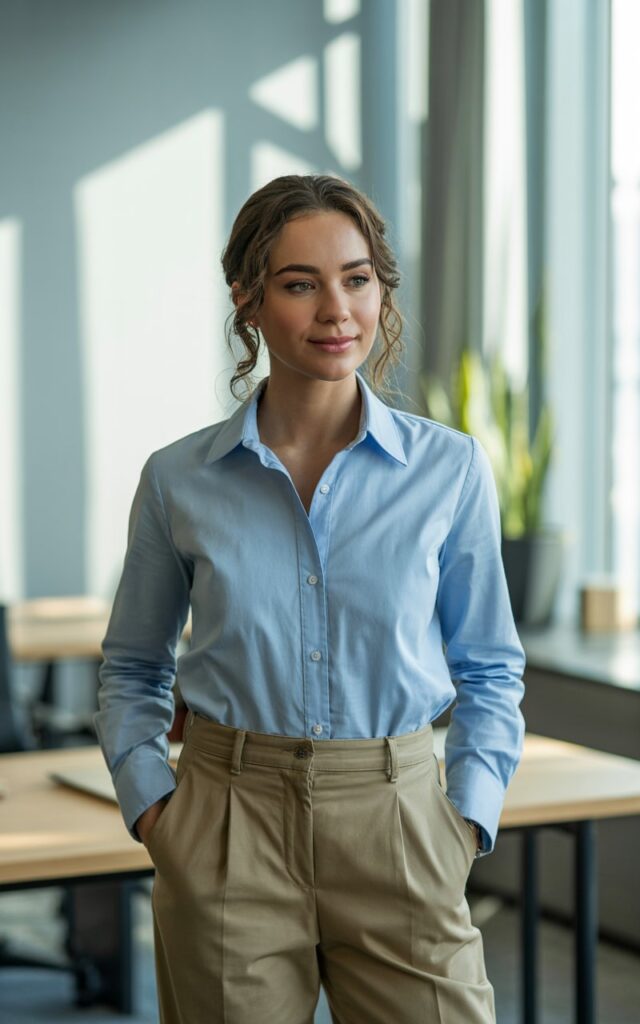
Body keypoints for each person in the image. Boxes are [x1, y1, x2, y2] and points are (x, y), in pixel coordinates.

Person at [94, 173, 526, 1024]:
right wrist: (156, 810)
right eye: (302, 284)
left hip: (399, 818)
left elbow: (489, 664)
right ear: (248, 300)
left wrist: (466, 820)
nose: (337, 310)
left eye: (356, 279)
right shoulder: (178, 478)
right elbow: (134, 664)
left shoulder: (450, 469)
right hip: (225, 823)